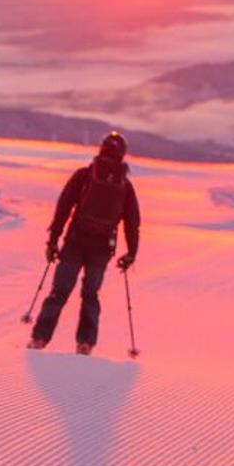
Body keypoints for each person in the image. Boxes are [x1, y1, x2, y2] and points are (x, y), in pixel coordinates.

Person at [29, 131, 141, 355]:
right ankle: (85, 343)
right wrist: (131, 253)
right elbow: (132, 223)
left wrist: (53, 241)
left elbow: (63, 209)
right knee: (90, 295)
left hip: (75, 241)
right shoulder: (125, 186)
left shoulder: (83, 176)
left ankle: (39, 339)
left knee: (59, 292)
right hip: (101, 248)